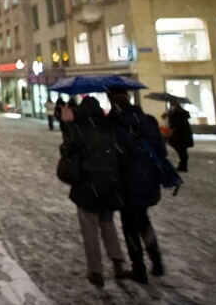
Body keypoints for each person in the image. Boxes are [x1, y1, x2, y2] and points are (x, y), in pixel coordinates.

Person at [61, 96, 129, 288]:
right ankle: (117, 262)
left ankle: (96, 270)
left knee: (89, 228)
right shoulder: (110, 128)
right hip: (110, 184)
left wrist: (68, 127)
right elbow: (120, 155)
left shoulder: (80, 130)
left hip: (87, 185)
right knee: (108, 223)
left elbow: (67, 151)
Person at [107, 89, 166, 283]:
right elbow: (161, 151)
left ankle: (138, 268)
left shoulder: (113, 126)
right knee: (143, 220)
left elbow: (111, 157)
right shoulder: (148, 121)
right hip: (148, 180)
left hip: (126, 182)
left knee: (130, 226)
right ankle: (156, 260)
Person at [165, 104, 193, 172]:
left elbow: (174, 124)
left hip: (179, 135)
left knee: (182, 151)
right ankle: (183, 165)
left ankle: (183, 166)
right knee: (182, 151)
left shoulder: (178, 115)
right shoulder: (181, 114)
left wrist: (170, 116)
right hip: (182, 135)